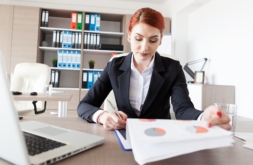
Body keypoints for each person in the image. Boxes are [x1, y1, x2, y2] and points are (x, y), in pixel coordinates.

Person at [77, 7, 231, 131]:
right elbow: (85, 105)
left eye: (153, 40)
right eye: (138, 39)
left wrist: (204, 117)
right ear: (129, 35)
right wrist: (103, 116)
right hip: (124, 134)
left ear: (161, 39)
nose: (145, 47)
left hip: (160, 134)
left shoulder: (173, 68)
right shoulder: (114, 66)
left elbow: (182, 109)